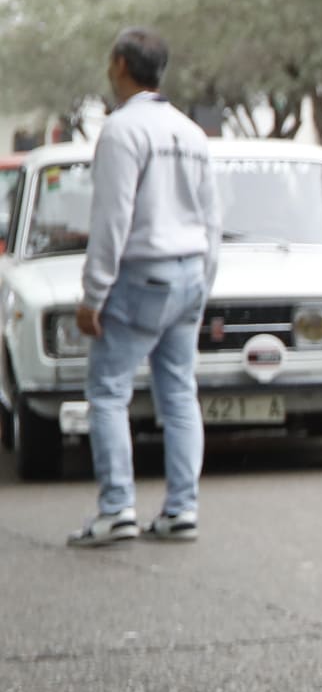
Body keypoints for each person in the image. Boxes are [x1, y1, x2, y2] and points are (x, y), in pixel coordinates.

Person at [71, 27, 218, 547]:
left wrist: (93, 294)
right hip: (190, 273)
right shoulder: (189, 131)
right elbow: (210, 217)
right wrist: (205, 282)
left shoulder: (122, 130)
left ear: (119, 65)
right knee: (178, 391)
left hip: (141, 275)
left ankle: (117, 509)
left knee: (107, 391)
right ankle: (182, 509)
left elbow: (113, 217)